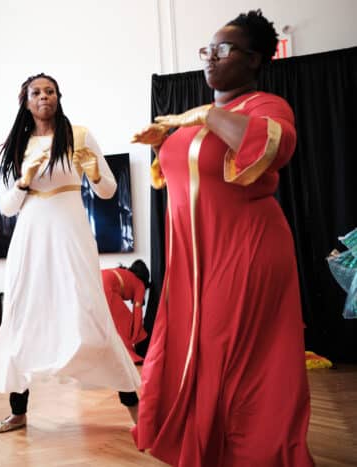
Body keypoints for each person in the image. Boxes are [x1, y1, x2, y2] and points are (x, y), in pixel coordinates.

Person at [131, 10, 313, 466]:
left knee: (233, 354)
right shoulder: (195, 119)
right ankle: (202, 443)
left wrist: (208, 116)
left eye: (223, 49)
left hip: (245, 248)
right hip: (192, 260)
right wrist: (163, 145)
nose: (210, 58)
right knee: (192, 347)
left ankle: (250, 450)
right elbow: (188, 181)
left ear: (253, 59)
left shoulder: (265, 106)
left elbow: (271, 147)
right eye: (206, 50)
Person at [0, 73, 141, 433]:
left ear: (58, 96)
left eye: (49, 91)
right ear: (25, 101)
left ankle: (136, 409)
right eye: (36, 92)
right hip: (30, 235)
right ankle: (18, 412)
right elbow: (6, 207)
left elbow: (107, 192)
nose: (44, 97)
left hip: (71, 231)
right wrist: (24, 179)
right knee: (22, 315)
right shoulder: (15, 146)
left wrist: (95, 171)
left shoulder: (79, 135)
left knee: (91, 312)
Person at [101, 259, 150, 363]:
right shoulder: (140, 284)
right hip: (105, 289)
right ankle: (130, 357)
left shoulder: (124, 273)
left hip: (94, 283)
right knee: (126, 323)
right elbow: (137, 311)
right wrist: (136, 334)